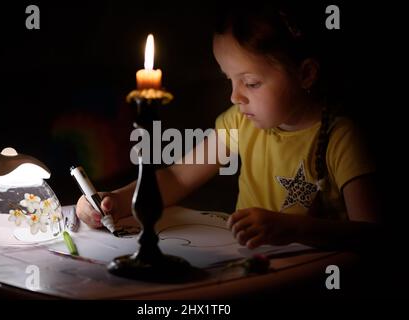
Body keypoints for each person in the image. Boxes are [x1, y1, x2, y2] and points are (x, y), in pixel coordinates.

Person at [76, 1, 380, 251]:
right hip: (243, 269)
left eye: (251, 82)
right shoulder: (239, 121)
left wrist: (295, 228)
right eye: (229, 80)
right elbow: (177, 177)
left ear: (306, 74)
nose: (235, 96)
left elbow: (372, 234)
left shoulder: (341, 139)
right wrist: (117, 200)